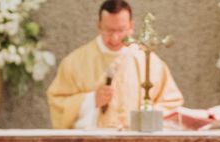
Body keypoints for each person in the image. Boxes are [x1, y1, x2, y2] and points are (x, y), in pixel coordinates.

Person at [46, 0, 184, 130]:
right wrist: (91, 101)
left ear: (131, 26)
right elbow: (58, 104)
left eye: (121, 30)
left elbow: (172, 104)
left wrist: (146, 116)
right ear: (99, 26)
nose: (114, 38)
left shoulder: (149, 62)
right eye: (109, 30)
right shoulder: (75, 62)